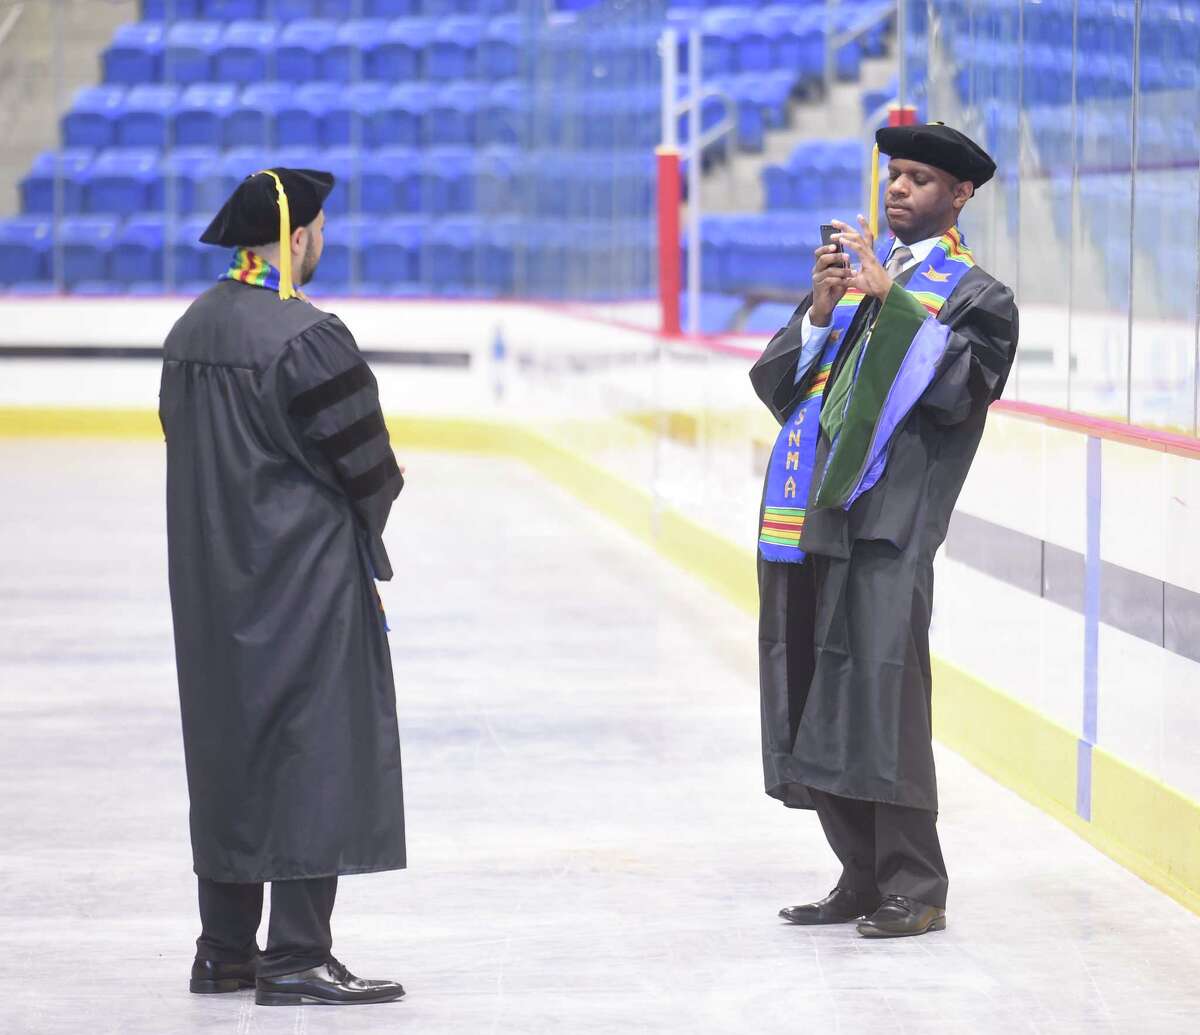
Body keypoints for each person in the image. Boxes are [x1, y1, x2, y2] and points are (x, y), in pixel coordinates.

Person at [750, 124, 1019, 938]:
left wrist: (884, 302)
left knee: (883, 697)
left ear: (960, 195)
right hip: (814, 516)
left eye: (920, 179)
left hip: (892, 527)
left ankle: (917, 885)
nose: (898, 189)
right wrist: (823, 309)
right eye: (893, 175)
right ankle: (860, 874)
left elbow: (959, 395)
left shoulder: (976, 296)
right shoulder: (860, 284)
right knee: (812, 691)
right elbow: (774, 384)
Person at [159, 168, 408, 1004]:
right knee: (316, 751)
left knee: (229, 750)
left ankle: (225, 948)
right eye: (321, 227)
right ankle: (297, 954)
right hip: (303, 582)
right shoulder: (305, 336)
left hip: (212, 585)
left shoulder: (188, 333)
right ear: (297, 239)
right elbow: (370, 469)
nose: (324, 239)